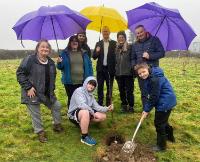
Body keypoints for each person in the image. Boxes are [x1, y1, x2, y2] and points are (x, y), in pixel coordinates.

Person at [16, 40, 63, 143]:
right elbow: (20, 73)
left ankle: (56, 125)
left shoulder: (50, 62)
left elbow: (52, 78)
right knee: (36, 113)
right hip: (32, 92)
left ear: (49, 50)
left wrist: (59, 63)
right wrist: (28, 87)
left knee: (57, 105)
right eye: (42, 47)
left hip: (46, 93)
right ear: (37, 48)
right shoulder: (30, 59)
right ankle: (40, 132)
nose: (45, 49)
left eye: (47, 47)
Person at [134, 63, 176, 152]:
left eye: (143, 72)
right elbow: (153, 94)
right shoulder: (152, 74)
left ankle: (161, 146)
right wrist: (147, 108)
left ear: (148, 69)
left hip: (164, 102)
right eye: (140, 74)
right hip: (167, 99)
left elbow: (154, 97)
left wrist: (146, 110)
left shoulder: (154, 79)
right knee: (163, 121)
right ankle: (170, 136)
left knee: (159, 124)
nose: (142, 75)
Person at [68, 76, 113, 146]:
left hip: (87, 112)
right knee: (85, 111)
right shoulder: (79, 91)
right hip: (74, 114)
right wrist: (92, 112)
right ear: (86, 83)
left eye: (93, 85)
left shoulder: (91, 96)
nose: (91, 86)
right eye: (90, 84)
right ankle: (84, 137)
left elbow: (97, 107)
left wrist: (107, 108)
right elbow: (82, 105)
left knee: (103, 116)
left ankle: (84, 123)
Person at [131, 25, 165, 110]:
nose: (139, 34)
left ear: (145, 31)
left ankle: (159, 108)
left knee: (155, 91)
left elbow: (162, 53)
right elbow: (133, 58)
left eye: (141, 32)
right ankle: (145, 110)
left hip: (153, 71)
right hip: (141, 72)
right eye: (137, 33)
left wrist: (150, 56)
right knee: (144, 92)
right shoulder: (135, 45)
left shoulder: (154, 40)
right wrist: (134, 66)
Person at [57, 35, 93, 110]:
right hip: (69, 82)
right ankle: (71, 114)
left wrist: (90, 78)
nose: (74, 42)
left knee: (82, 98)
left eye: (76, 41)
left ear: (78, 43)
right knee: (71, 98)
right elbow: (60, 67)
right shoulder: (64, 53)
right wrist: (59, 62)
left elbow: (89, 66)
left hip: (82, 81)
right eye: (72, 41)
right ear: (70, 43)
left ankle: (81, 114)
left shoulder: (84, 53)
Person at [93, 26, 116, 106]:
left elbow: (115, 56)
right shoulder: (98, 43)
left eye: (107, 31)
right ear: (102, 33)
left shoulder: (114, 43)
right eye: (104, 31)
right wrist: (97, 51)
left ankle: (108, 103)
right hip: (100, 69)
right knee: (100, 87)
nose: (105, 33)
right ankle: (100, 103)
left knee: (109, 87)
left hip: (110, 69)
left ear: (109, 32)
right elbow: (94, 57)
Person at [115, 31, 134, 113]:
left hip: (128, 73)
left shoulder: (130, 47)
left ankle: (131, 106)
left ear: (125, 38)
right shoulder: (115, 49)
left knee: (129, 91)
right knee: (121, 91)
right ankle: (124, 105)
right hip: (119, 74)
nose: (121, 39)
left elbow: (132, 58)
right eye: (119, 37)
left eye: (122, 37)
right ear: (117, 39)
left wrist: (132, 69)